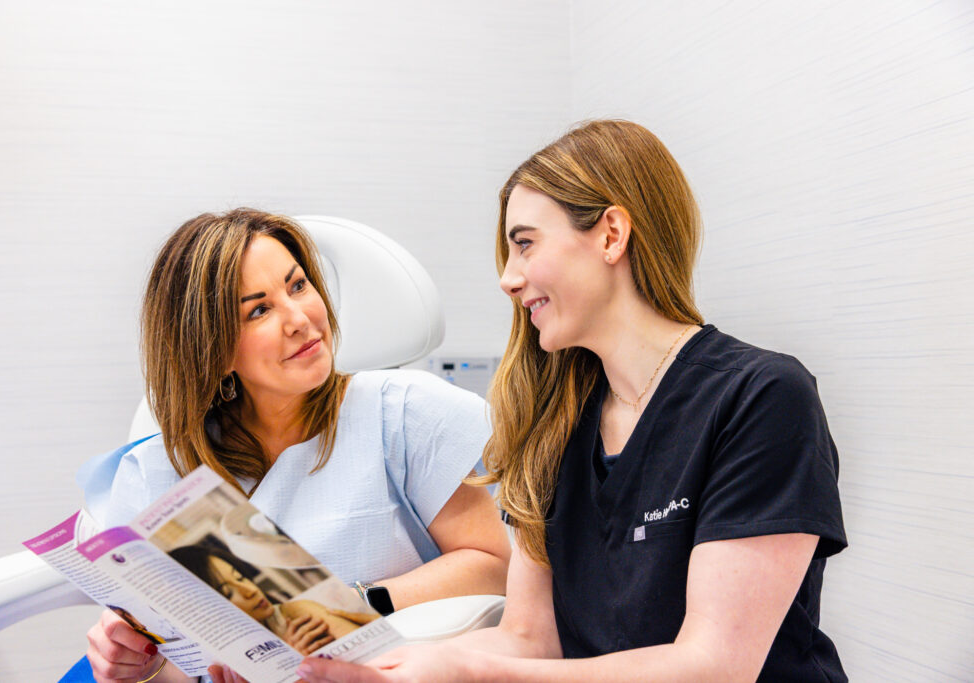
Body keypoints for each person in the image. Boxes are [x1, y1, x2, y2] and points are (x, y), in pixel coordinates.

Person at [297, 120, 848, 683]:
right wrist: (384, 664)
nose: (508, 280)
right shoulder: (554, 424)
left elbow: (712, 667)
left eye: (525, 243)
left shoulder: (760, 398)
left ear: (611, 235)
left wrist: (466, 670)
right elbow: (529, 639)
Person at [81, 209, 510, 683]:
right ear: (213, 349)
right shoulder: (159, 471)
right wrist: (139, 665)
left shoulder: (404, 415)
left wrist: (351, 609)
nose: (300, 318)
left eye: (299, 285)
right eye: (259, 309)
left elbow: (494, 566)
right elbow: (174, 657)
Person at [168, 544, 378, 656]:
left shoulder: (295, 616)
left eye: (240, 577)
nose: (250, 590)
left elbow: (376, 656)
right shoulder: (224, 665)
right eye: (228, 593)